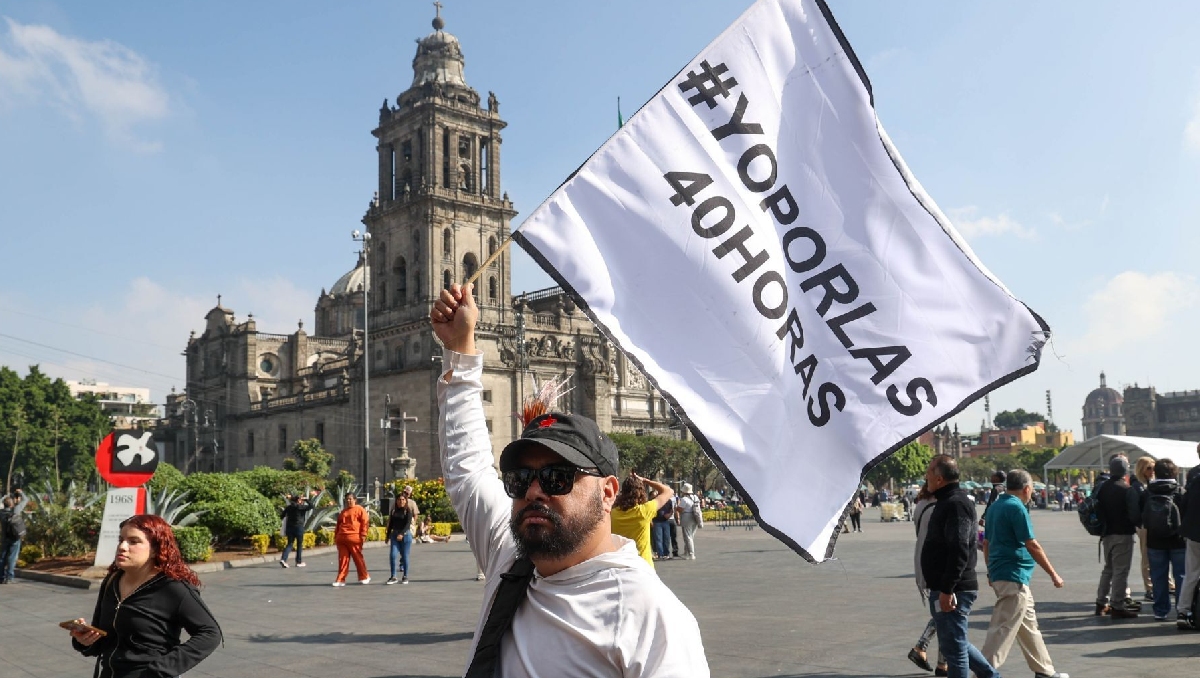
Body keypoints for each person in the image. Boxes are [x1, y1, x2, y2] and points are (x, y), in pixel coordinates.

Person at [431, 283, 709, 676]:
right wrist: (460, 347)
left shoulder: (650, 616)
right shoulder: (509, 557)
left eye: (557, 477)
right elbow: (468, 467)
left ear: (608, 492)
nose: (533, 490)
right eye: (520, 477)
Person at [69, 514, 221, 677]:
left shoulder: (172, 587)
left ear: (156, 549)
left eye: (134, 541)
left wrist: (160, 670)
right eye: (121, 540)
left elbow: (210, 633)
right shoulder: (112, 580)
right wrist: (85, 640)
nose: (122, 547)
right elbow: (105, 639)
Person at [980, 469, 1068, 678]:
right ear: (1027, 489)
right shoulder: (1016, 507)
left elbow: (986, 543)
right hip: (1014, 574)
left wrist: (990, 571)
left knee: (1028, 625)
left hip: (1002, 572)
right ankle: (982, 672)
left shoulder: (995, 507)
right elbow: (1032, 544)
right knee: (1002, 628)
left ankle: (1044, 671)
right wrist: (1053, 574)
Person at [921, 455, 998, 678]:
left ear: (939, 478)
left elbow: (961, 548)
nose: (926, 479)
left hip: (955, 588)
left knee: (954, 650)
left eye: (928, 475)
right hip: (947, 586)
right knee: (955, 643)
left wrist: (947, 588)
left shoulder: (956, 504)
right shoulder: (948, 501)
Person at [907, 484, 947, 677]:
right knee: (945, 613)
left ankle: (942, 664)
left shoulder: (921, 504)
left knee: (943, 612)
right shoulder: (941, 506)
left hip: (923, 560)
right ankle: (922, 647)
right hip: (938, 565)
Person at [1140, 458, 1186, 621]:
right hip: (1178, 540)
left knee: (1158, 576)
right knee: (1181, 575)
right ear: (1174, 473)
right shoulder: (1180, 491)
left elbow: (1140, 514)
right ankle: (1182, 608)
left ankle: (1160, 610)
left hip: (1154, 540)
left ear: (1156, 472)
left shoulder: (1147, 492)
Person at [1095, 455, 1139, 618]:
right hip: (1123, 534)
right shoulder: (1127, 489)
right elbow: (1134, 515)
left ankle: (1101, 602)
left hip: (1106, 533)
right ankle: (1117, 606)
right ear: (1125, 470)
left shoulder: (1101, 487)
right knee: (1121, 571)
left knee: (1108, 569)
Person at [610, 471, 672, 567]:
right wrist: (646, 480)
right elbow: (668, 491)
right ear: (641, 492)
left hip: (620, 565)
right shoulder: (644, 511)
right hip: (643, 565)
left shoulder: (612, 513)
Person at [1129, 456, 1156, 601]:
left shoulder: (1149, 483)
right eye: (1149, 468)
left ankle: (1168, 584)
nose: (1152, 471)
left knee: (1158, 555)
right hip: (1144, 525)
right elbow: (1135, 508)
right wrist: (1140, 524)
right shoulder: (1137, 486)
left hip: (1152, 523)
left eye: (1153, 468)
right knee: (1146, 557)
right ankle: (1149, 587)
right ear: (1142, 469)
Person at [1178, 461, 1200, 630]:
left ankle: (1183, 611)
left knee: (1191, 573)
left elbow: (1183, 507)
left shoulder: (1195, 480)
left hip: (1193, 533)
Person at [333, 492, 370, 586]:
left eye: (350, 499)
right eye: (347, 499)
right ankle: (340, 579)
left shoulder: (360, 509)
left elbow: (365, 522)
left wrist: (363, 535)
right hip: (342, 539)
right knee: (343, 560)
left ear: (355, 500)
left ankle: (364, 576)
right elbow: (338, 525)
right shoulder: (343, 512)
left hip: (354, 538)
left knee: (358, 559)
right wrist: (336, 536)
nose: (348, 501)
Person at [386, 485, 420, 584]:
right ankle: (393, 576)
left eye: (403, 499)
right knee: (392, 555)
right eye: (399, 499)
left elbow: (407, 524)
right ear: (396, 501)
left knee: (405, 556)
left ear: (406, 500)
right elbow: (391, 523)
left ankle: (405, 576)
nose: (401, 501)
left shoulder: (408, 510)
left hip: (405, 535)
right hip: (395, 535)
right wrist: (388, 536)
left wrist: (402, 533)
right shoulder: (393, 511)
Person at [279, 490, 316, 568]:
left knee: (290, 544)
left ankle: (283, 559)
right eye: (301, 500)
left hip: (289, 528)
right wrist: (306, 499)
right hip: (299, 528)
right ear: (298, 500)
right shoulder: (301, 507)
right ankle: (298, 562)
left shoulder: (288, 507)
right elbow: (312, 506)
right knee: (299, 545)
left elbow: (282, 516)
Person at [0, 488, 29, 584]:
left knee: (2, 557)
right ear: (12, 503)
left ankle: (1, 576)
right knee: (12, 557)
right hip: (15, 538)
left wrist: (7, 496)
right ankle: (9, 577)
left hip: (5, 538)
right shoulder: (16, 510)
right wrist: (20, 492)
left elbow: (2, 502)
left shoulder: (1, 513)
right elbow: (26, 500)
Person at [676, 482, 703, 559]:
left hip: (687, 516)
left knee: (687, 536)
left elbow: (680, 509)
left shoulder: (684, 499)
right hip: (695, 516)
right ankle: (686, 552)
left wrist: (676, 507)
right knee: (691, 536)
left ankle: (691, 554)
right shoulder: (695, 497)